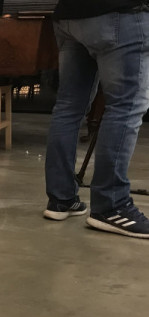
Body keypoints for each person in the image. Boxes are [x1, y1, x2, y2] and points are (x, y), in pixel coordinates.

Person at [44, 0, 149, 238]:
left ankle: (61, 199)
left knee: (69, 107)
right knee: (126, 106)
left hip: (70, 15)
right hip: (120, 13)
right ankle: (111, 206)